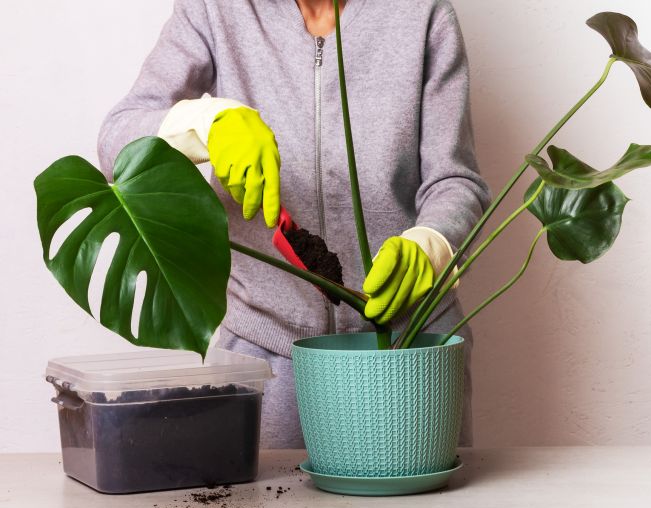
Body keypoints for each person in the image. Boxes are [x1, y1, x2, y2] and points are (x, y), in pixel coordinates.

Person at [98, 0, 490, 448]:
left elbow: (456, 180)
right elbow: (117, 137)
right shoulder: (214, 8)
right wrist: (208, 124)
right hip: (262, 356)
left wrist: (432, 245)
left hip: (411, 351)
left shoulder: (423, 12)